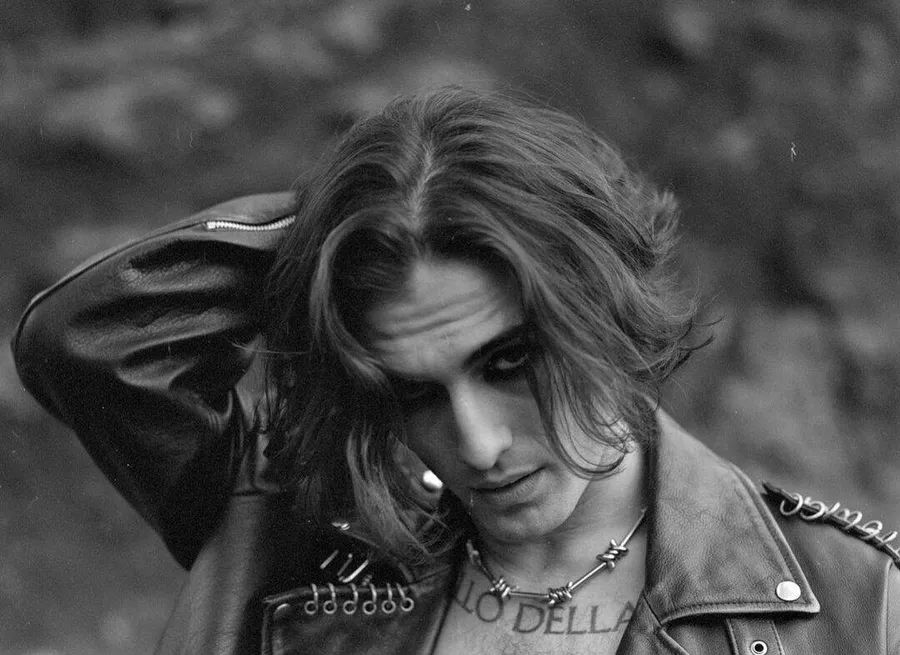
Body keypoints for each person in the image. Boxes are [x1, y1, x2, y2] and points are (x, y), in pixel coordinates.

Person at [13, 87, 899, 655]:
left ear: (597, 306)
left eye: (510, 362)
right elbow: (91, 338)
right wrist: (348, 226)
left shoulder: (848, 600)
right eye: (416, 391)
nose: (477, 443)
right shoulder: (303, 537)